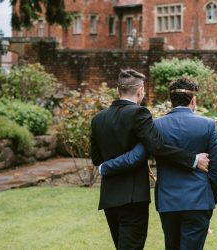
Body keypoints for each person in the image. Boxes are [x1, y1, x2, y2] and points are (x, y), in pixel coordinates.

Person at [90, 69, 210, 250]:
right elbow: (157, 147)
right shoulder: (139, 114)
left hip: (109, 197)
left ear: (117, 91)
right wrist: (192, 159)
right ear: (140, 91)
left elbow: (96, 158)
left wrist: (106, 167)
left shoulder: (98, 119)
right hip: (133, 198)